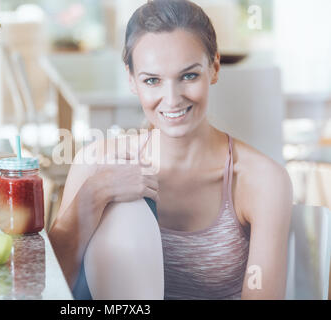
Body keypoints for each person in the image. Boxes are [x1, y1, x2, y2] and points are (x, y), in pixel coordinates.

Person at [48, 0, 293, 300]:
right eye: (152, 80)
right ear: (131, 80)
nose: (172, 98)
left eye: (188, 75)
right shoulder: (96, 162)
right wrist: (94, 193)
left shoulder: (263, 180)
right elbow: (46, 288)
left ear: (214, 68)